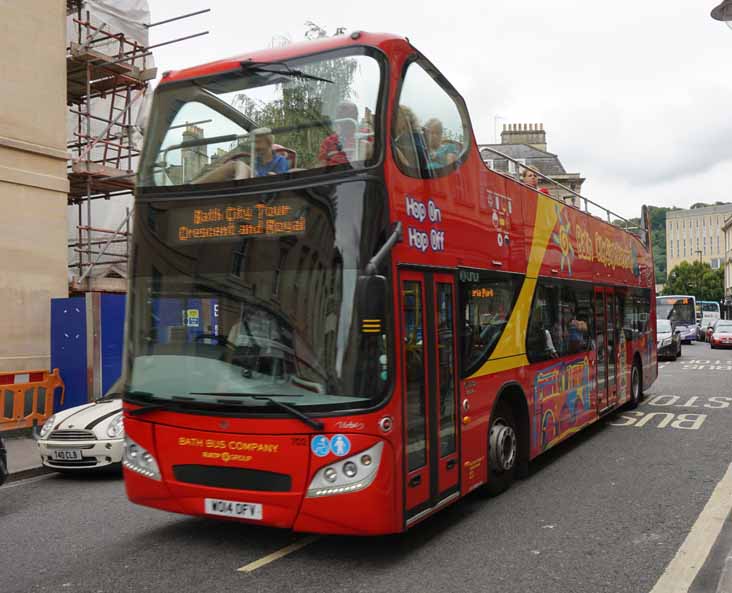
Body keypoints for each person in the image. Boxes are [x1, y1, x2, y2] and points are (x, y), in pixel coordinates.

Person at [393, 105, 428, 169]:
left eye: (396, 116)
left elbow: (418, 155)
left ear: (406, 119)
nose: (393, 120)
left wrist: (394, 148)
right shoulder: (402, 138)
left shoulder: (413, 138)